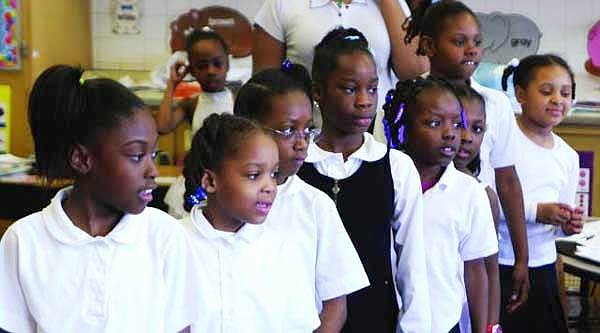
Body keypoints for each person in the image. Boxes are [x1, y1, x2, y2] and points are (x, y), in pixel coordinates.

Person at [0, 65, 203, 333]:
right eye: (136, 155)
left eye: (152, 155)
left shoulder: (165, 235)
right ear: (82, 159)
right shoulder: (24, 241)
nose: (152, 171)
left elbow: (180, 328)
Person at [297, 27, 430, 332]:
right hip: (308, 320)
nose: (364, 101)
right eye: (349, 89)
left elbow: (412, 263)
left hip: (376, 318)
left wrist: (415, 326)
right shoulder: (297, 167)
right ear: (318, 92)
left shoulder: (395, 167)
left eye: (372, 89)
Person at [405, 0, 530, 314]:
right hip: (423, 228)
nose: (471, 50)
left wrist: (520, 258)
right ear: (430, 46)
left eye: (477, 42)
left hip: (477, 231)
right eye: (459, 42)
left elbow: (508, 181)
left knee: (476, 308)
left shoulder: (496, 104)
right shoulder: (405, 99)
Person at [234, 62, 369, 331]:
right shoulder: (227, 203)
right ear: (247, 128)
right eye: (287, 130)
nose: (301, 142)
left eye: (307, 129)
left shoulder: (315, 205)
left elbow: (335, 304)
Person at [181, 113, 319, 332]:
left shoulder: (282, 249)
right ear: (210, 181)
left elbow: (300, 325)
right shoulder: (175, 243)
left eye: (273, 174)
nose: (270, 187)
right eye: (254, 175)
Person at [384, 77, 498, 333]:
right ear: (404, 128)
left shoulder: (470, 193)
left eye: (457, 124)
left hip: (443, 324)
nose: (450, 133)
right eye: (434, 124)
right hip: (383, 319)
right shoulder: (382, 181)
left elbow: (476, 269)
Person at [253, 0, 429, 140]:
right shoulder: (281, 4)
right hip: (306, 136)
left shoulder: (390, 4)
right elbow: (265, 86)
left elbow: (415, 70)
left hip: (380, 135)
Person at [498, 54, 583, 333]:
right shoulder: (501, 141)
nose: (557, 99)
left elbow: (558, 226)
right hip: (502, 262)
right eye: (546, 91)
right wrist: (538, 211)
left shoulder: (568, 156)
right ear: (520, 93)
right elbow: (484, 204)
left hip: (544, 267)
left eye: (566, 93)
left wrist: (567, 225)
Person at [158, 28, 234, 218]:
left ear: (228, 64)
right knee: (189, 223)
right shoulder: (192, 104)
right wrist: (171, 85)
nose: (211, 71)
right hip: (195, 185)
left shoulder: (238, 100)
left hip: (229, 183)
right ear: (191, 69)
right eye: (202, 65)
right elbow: (163, 126)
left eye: (218, 63)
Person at [452, 86, 501, 333]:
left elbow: (490, 270)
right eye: (459, 124)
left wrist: (492, 327)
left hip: (467, 316)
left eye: (477, 128)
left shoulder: (484, 195)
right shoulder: (409, 182)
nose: (468, 137)